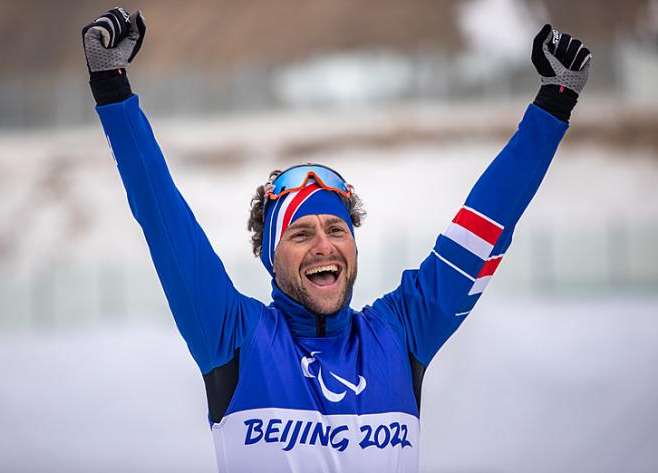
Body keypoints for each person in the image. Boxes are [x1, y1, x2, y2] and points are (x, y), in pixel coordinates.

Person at [82, 8, 591, 472]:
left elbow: (485, 225)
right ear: (270, 257)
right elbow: (162, 215)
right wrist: (113, 89)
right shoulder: (234, 337)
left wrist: (554, 103)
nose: (323, 245)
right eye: (300, 233)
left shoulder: (400, 334)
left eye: (336, 230)